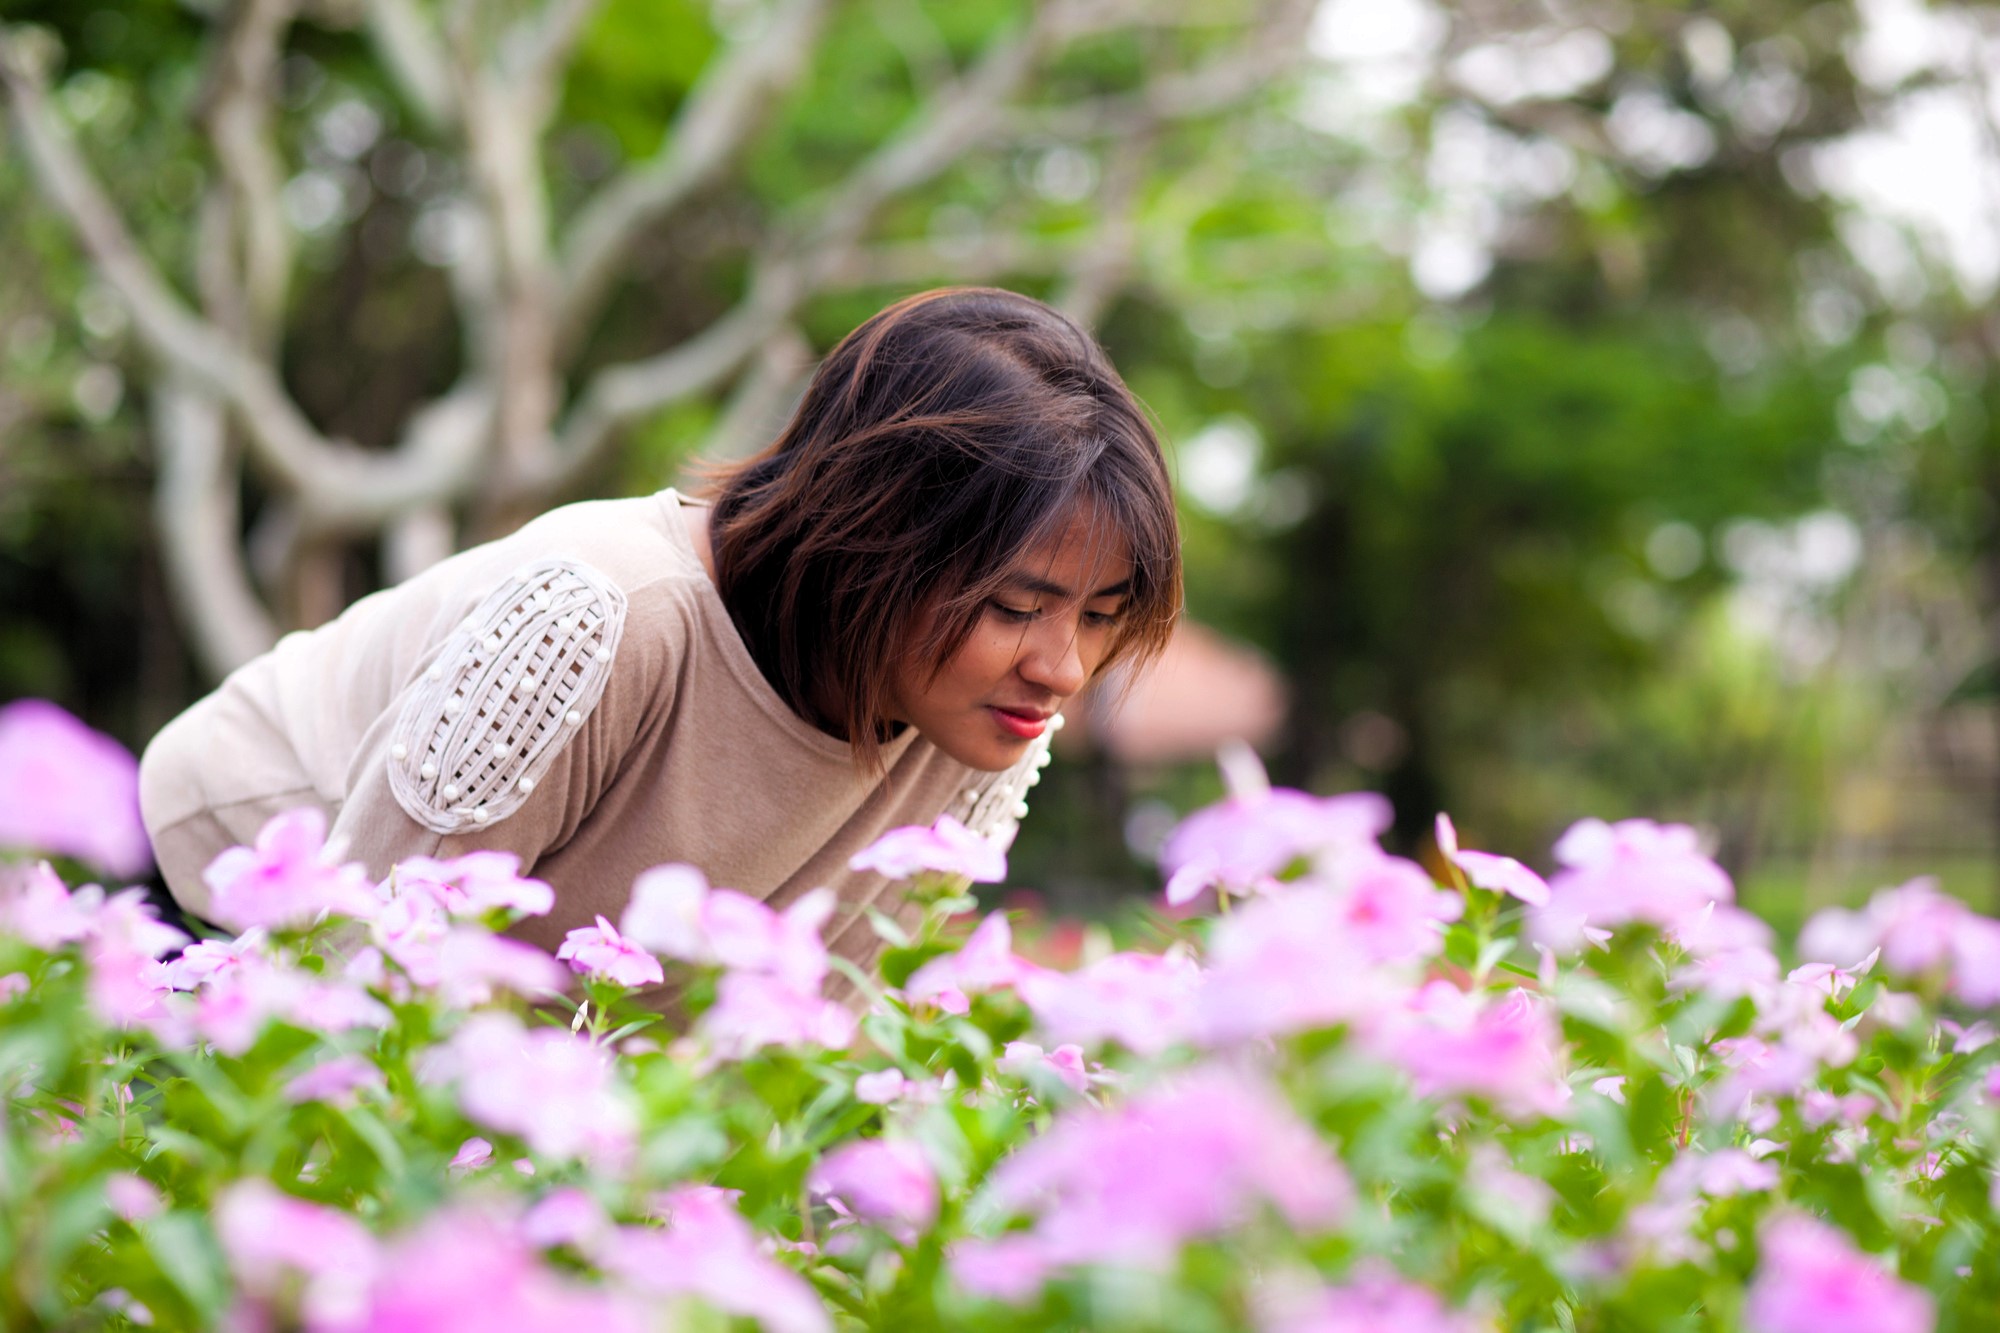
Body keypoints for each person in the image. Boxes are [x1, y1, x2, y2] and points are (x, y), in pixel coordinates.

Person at [137, 287, 1181, 966]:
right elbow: (364, 961)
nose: (1062, 668)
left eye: (1098, 616)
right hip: (201, 917)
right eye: (1014, 605)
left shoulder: (985, 724)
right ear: (877, 536)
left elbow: (838, 1014)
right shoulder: (601, 616)